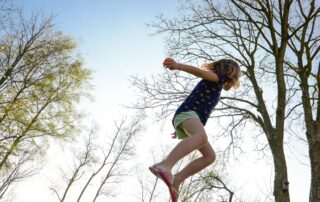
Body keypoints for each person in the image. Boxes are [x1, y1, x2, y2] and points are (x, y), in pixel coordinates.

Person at [149, 57, 241, 202]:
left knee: (210, 157)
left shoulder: (215, 85)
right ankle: (164, 166)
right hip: (187, 114)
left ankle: (177, 180)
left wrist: (183, 126)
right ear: (231, 73)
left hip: (188, 118)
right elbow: (200, 72)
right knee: (202, 137)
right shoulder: (217, 78)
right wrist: (178, 65)